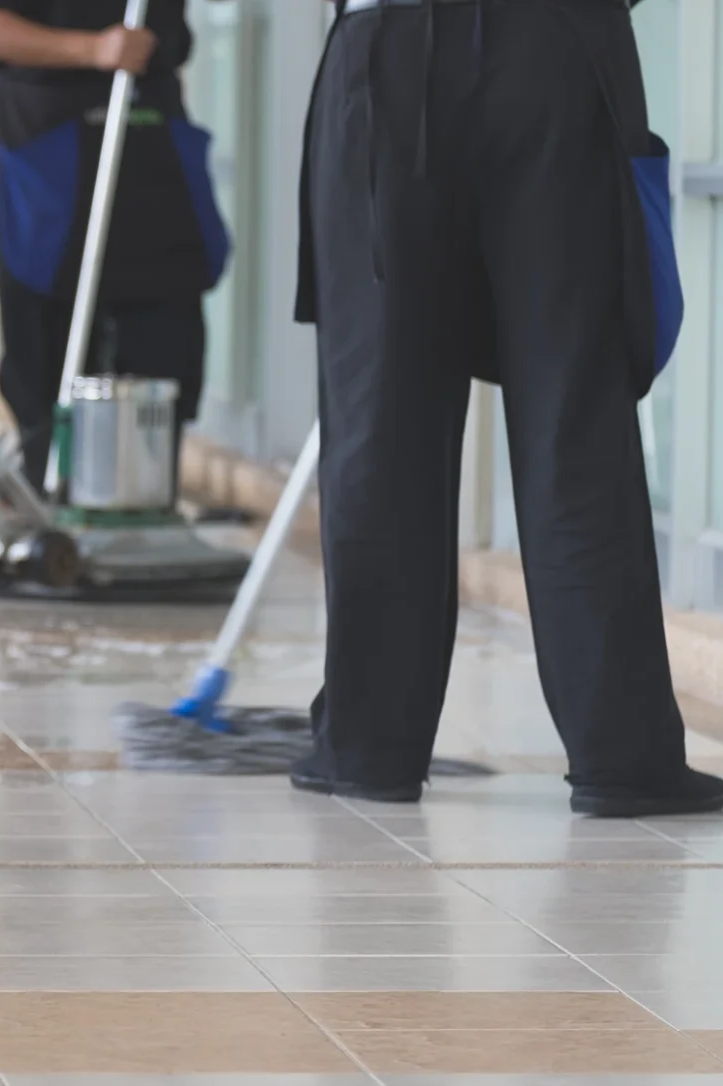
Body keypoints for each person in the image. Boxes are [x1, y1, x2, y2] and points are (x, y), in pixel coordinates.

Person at [296, 0, 723, 816]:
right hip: (558, 52)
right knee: (575, 418)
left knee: (383, 424)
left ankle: (369, 745)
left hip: (388, 51)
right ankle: (622, 758)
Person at [0, 0, 230, 495]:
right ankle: (48, 490)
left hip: (150, 135)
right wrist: (93, 49)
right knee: (49, 317)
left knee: (168, 313)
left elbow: (167, 43)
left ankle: (147, 496)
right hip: (50, 147)